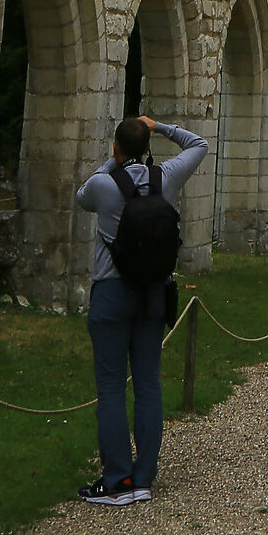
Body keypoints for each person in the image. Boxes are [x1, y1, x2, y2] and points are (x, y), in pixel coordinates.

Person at [74, 111, 207, 505]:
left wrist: (113, 160)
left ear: (116, 148)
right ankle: (144, 476)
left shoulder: (103, 183)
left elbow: (82, 197)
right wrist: (160, 127)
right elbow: (198, 144)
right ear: (148, 148)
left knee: (112, 387)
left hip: (113, 291)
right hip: (154, 291)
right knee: (148, 382)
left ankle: (117, 480)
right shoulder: (165, 178)